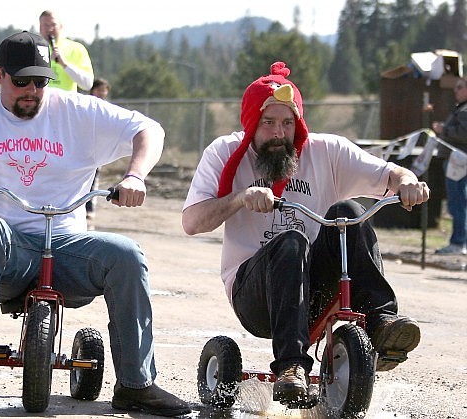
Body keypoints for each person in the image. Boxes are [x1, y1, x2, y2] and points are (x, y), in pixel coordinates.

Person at [0, 31, 190, 416]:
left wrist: (135, 175)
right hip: (6, 252)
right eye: (20, 80)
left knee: (126, 254)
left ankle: (136, 384)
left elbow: (150, 129)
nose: (31, 90)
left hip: (67, 248)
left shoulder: (77, 112)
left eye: (40, 81)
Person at [181, 62, 429, 404]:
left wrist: (407, 183)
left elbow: (390, 174)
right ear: (252, 122)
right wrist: (238, 199)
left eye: (287, 123)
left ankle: (382, 323)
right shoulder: (223, 153)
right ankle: (291, 367)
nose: (279, 133)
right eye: (268, 123)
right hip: (256, 294)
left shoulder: (326, 151)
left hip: (314, 286)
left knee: (349, 213)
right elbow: (192, 222)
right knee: (292, 240)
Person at [431, 77, 467, 255]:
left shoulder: (465, 110)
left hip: (458, 162)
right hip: (456, 161)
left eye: (460, 87)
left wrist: (443, 129)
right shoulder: (460, 108)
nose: (456, 90)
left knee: (457, 202)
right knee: (458, 202)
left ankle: (458, 242)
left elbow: (464, 133)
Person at [39, 10, 94, 92]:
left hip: (67, 103)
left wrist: (65, 64)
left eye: (53, 25)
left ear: (61, 26)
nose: (50, 29)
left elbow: (87, 84)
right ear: (40, 28)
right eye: (46, 25)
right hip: (42, 103)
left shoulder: (77, 48)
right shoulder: (32, 49)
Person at [86, 77, 112, 220]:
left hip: (97, 148)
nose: (102, 93)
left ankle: (89, 208)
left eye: (104, 90)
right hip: (84, 147)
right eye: (99, 89)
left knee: (93, 179)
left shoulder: (108, 109)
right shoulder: (83, 105)